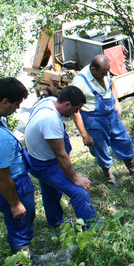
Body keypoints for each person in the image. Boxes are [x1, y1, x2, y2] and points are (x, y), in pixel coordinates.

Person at [25, 86, 97, 228]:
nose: (75, 113)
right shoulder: (50, 120)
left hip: (37, 158)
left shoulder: (50, 101)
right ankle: (92, 228)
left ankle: (55, 222)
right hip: (45, 165)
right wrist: (76, 179)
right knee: (79, 192)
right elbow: (61, 155)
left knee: (50, 191)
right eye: (75, 109)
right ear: (67, 104)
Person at [71, 55, 134, 187]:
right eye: (103, 73)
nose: (106, 74)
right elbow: (75, 110)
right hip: (94, 120)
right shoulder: (80, 82)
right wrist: (85, 135)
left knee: (125, 142)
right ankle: (109, 178)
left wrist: (116, 104)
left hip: (111, 116)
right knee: (102, 150)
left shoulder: (103, 72)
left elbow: (112, 85)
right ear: (93, 69)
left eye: (107, 72)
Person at [0, 77, 35, 254]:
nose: (17, 108)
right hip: (11, 184)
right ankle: (23, 260)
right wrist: (15, 203)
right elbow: (2, 177)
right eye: (16, 104)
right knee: (19, 219)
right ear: (4, 102)